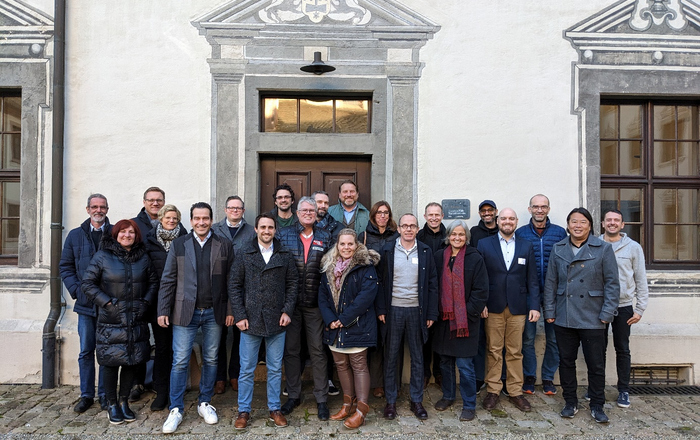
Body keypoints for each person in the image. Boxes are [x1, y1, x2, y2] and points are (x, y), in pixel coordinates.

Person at [157, 202, 235, 434]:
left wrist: (231, 310)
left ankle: (204, 402)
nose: (201, 222)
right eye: (197, 218)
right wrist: (163, 309)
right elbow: (168, 278)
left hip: (214, 312)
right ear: (191, 221)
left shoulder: (223, 244)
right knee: (180, 361)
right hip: (184, 312)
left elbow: (232, 281)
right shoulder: (179, 244)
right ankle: (176, 408)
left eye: (205, 218)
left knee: (211, 359)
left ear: (211, 220)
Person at [544, 207, 619, 424]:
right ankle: (570, 402)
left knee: (596, 364)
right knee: (566, 361)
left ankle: (597, 404)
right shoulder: (558, 248)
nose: (578, 226)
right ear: (568, 225)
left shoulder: (603, 249)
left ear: (590, 225)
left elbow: (612, 284)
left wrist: (606, 314)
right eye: (573, 222)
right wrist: (549, 311)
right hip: (564, 314)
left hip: (593, 316)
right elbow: (550, 282)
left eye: (582, 222)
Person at [81, 219, 157, 424]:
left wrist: (145, 303)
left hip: (136, 318)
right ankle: (111, 404)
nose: (127, 235)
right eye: (123, 232)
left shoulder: (143, 257)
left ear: (136, 235)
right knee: (111, 362)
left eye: (131, 232)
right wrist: (107, 303)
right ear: (115, 235)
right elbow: (87, 284)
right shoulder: (103, 256)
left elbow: (153, 282)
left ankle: (124, 402)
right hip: (112, 320)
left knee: (131, 362)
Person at [229, 213, 298, 430]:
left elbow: (293, 283)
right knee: (247, 368)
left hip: (277, 319)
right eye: (263, 227)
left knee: (276, 368)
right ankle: (244, 410)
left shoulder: (284, 254)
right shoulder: (244, 253)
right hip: (249, 320)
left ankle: (275, 409)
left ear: (275, 230)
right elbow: (234, 285)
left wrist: (287, 310)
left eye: (270, 227)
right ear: (256, 230)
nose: (267, 231)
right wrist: (239, 315)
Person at [376, 214, 438, 421]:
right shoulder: (387, 250)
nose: (409, 229)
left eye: (412, 226)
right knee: (391, 357)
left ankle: (416, 400)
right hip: (393, 310)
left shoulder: (426, 251)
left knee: (418, 358)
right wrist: (381, 309)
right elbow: (380, 283)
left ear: (418, 229)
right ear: (399, 229)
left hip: (416, 311)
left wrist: (431, 312)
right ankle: (391, 401)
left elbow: (432, 284)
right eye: (405, 226)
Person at [477, 208, 539, 413]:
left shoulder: (526, 245)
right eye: (503, 218)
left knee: (515, 350)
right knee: (494, 350)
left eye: (511, 219)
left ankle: (515, 391)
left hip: (518, 306)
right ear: (498, 220)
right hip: (493, 306)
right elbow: (480, 277)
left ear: (516, 221)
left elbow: (532, 278)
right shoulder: (484, 244)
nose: (507, 222)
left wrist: (534, 306)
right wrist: (481, 303)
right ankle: (493, 390)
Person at [318, 228, 380, 429]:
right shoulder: (328, 266)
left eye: (350, 244)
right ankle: (348, 404)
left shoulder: (365, 266)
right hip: (334, 326)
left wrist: (343, 319)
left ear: (357, 245)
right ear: (338, 245)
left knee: (359, 365)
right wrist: (330, 320)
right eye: (342, 244)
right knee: (341, 364)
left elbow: (365, 298)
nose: (346, 247)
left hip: (356, 324)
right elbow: (323, 296)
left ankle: (361, 411)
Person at [278, 197, 333, 420]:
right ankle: (294, 395)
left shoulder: (326, 236)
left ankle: (321, 399)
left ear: (316, 213)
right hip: (290, 305)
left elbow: (330, 270)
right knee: (291, 351)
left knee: (318, 351)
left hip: (315, 304)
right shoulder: (284, 235)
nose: (308, 213)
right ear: (297, 212)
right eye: (304, 210)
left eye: (312, 210)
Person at [59, 193, 111, 413]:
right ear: (88, 209)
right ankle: (86, 394)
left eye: (102, 207)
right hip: (86, 305)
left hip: (109, 305)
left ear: (107, 210)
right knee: (86, 351)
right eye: (94, 207)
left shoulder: (115, 233)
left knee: (108, 351)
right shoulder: (75, 235)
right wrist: (77, 291)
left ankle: (106, 395)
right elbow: (66, 267)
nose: (98, 210)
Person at [432, 220, 489, 422]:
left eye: (461, 235)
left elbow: (481, 289)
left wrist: (469, 311)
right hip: (444, 320)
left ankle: (469, 404)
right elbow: (434, 286)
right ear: (448, 236)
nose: (457, 238)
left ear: (466, 237)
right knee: (445, 362)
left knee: (465, 365)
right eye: (454, 234)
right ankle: (448, 396)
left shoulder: (475, 258)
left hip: (466, 322)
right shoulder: (439, 257)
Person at [515, 194, 567, 396]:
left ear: (548, 209)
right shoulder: (521, 234)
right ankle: (529, 376)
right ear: (529, 209)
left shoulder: (559, 233)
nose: (539, 210)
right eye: (535, 207)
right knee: (528, 337)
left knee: (553, 338)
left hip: (555, 294)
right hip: (529, 294)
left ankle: (548, 377)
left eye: (543, 207)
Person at [600, 209, 648, 409]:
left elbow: (640, 278)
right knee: (596, 349)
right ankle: (596, 387)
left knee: (622, 349)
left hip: (624, 306)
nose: (612, 223)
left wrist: (640, 309)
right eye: (608, 220)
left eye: (616, 220)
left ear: (622, 224)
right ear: (603, 223)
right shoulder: (594, 244)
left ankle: (623, 390)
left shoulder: (633, 248)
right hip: (598, 305)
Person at [143, 204, 187, 411]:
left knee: (179, 350)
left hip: (182, 303)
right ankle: (161, 392)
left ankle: (176, 390)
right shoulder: (150, 241)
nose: (171, 221)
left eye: (175, 218)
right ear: (160, 219)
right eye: (168, 218)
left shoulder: (186, 240)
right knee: (161, 349)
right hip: (159, 303)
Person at [211, 196, 256, 395]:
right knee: (218, 337)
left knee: (240, 336)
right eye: (231, 208)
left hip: (243, 289)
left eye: (239, 208)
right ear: (225, 209)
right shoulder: (214, 229)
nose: (235, 211)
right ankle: (219, 377)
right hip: (218, 289)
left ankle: (234, 375)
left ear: (243, 211)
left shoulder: (250, 231)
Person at [358, 201, 398, 398]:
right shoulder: (364, 236)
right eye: (379, 213)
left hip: (392, 292)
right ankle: (371, 382)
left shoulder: (396, 236)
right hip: (370, 293)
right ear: (373, 215)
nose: (382, 216)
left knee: (389, 341)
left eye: (386, 213)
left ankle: (386, 382)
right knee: (371, 341)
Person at [130, 186, 167, 402]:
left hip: (162, 295)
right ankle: (137, 382)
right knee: (138, 340)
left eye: (159, 200)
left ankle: (158, 384)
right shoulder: (135, 226)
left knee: (162, 343)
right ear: (144, 202)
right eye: (151, 200)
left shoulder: (173, 224)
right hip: (139, 293)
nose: (155, 203)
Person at [417, 202, 447, 389]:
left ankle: (439, 372)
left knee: (441, 335)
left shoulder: (449, 235)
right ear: (425, 216)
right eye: (431, 215)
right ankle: (425, 373)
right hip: (425, 291)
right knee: (425, 335)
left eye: (437, 214)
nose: (434, 218)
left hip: (445, 292)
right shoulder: (419, 236)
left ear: (442, 216)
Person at [470, 199, 499, 392]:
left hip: (500, 294)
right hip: (481, 293)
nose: (487, 213)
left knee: (499, 343)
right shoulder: (474, 233)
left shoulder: (504, 231)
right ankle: (479, 378)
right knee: (479, 341)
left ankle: (500, 379)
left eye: (490, 210)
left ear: (495, 212)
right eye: (483, 211)